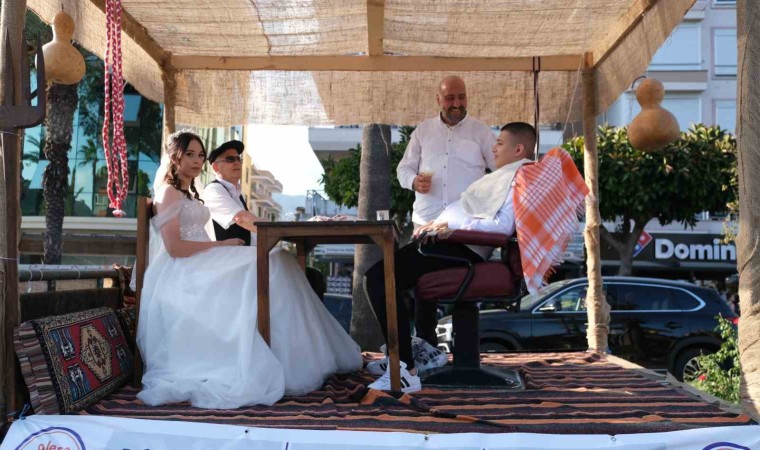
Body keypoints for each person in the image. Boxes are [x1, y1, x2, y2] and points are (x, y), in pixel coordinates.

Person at [136, 130, 362, 409]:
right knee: (275, 261)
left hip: (204, 258)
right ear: (175, 157)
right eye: (190, 154)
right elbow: (174, 248)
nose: (196, 161)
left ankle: (296, 357)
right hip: (184, 269)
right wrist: (221, 246)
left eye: (200, 155)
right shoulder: (169, 192)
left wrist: (222, 247)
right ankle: (284, 360)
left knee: (280, 259)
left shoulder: (191, 194)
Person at [364, 122, 537, 392]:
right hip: (451, 243)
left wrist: (451, 229)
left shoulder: (519, 178)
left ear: (518, 150)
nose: (494, 148)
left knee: (378, 277)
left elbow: (502, 227)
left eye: (500, 143)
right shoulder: (507, 175)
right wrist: (438, 225)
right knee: (379, 277)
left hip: (461, 249)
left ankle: (404, 368)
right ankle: (401, 357)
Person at [395, 75, 497, 353]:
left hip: (465, 229)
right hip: (426, 223)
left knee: (462, 287)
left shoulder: (481, 132)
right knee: (421, 286)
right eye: (450, 98)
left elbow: (501, 169)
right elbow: (403, 169)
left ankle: (465, 352)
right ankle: (425, 346)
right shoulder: (423, 131)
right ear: (438, 99)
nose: (457, 103)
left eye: (461, 97)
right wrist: (413, 181)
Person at [202, 140, 327, 300]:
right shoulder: (214, 190)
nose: (237, 162)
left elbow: (252, 228)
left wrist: (285, 231)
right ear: (216, 167)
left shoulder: (236, 194)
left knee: (311, 276)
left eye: (238, 158)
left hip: (245, 257)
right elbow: (242, 219)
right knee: (305, 275)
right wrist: (284, 231)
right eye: (230, 159)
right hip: (231, 261)